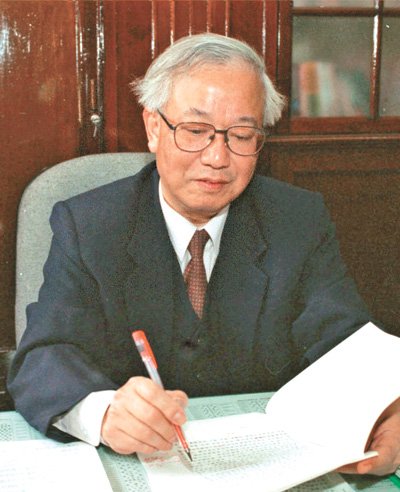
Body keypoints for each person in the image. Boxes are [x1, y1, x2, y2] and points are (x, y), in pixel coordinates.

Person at [7, 33, 400, 476]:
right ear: (154, 128)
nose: (217, 157)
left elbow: (347, 344)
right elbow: (43, 355)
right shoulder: (91, 224)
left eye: (242, 135)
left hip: (265, 464)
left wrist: (389, 411)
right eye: (195, 131)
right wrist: (104, 412)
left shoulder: (297, 220)